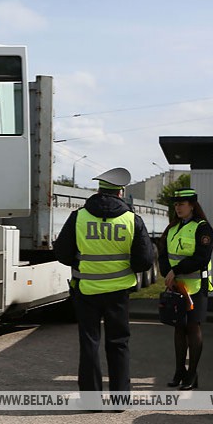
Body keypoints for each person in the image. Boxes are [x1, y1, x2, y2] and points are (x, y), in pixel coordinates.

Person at [54, 167, 153, 392]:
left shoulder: (78, 216)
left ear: (98, 191)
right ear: (120, 193)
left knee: (89, 343)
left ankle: (90, 398)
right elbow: (145, 261)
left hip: (86, 290)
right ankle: (120, 399)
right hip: (119, 292)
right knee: (118, 344)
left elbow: (62, 254)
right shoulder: (132, 220)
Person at [159, 188, 213, 390]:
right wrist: (168, 273)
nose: (178, 207)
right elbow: (163, 253)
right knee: (178, 328)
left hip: (195, 287)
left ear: (192, 205)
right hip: (176, 286)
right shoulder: (172, 228)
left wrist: (177, 270)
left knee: (193, 328)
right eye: (175, 204)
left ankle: (192, 374)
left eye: (181, 204)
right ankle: (179, 371)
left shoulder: (203, 228)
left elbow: (202, 257)